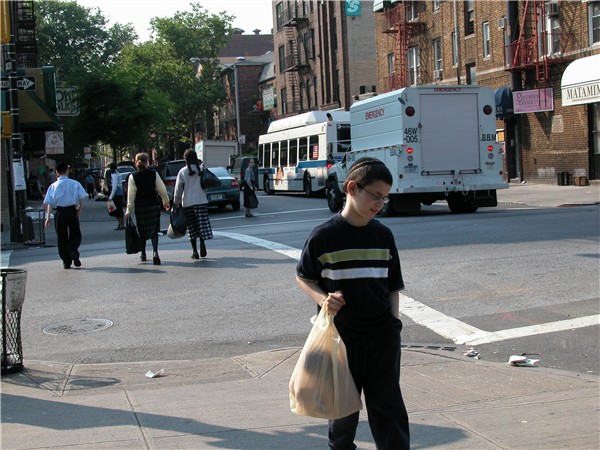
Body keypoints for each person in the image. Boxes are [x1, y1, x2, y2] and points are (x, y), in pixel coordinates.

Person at [295, 157, 410, 450]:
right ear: (351, 188)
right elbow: (304, 277)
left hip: (382, 335)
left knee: (388, 406)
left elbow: (392, 286)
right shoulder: (323, 236)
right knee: (343, 409)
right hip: (342, 338)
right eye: (374, 196)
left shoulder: (383, 235)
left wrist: (394, 326)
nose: (379, 204)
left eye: (384, 198)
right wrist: (324, 300)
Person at [125, 152, 170, 265]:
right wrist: (166, 202)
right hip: (153, 205)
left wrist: (128, 210)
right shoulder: (153, 174)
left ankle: (143, 253)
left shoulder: (133, 176)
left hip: (140, 207)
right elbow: (162, 190)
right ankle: (155, 252)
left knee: (142, 230)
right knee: (154, 231)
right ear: (147, 162)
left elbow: (131, 195)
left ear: (136, 163)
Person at [43, 162, 87, 269]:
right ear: (67, 171)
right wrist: (79, 209)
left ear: (57, 172)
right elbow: (81, 197)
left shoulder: (53, 186)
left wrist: (48, 217)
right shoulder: (75, 183)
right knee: (75, 233)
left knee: (61, 237)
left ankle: (66, 261)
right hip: (72, 210)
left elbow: (49, 203)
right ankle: (73, 250)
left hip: (60, 212)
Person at [173, 149, 213, 259]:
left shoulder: (183, 172)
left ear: (185, 159)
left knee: (192, 227)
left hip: (188, 203)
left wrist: (176, 202)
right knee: (201, 225)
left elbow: (178, 189)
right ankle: (202, 243)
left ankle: (195, 251)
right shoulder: (201, 169)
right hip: (201, 201)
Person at [107, 162, 125, 230]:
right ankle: (121, 223)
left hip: (116, 194)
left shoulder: (114, 175)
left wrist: (110, 197)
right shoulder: (117, 174)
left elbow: (114, 187)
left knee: (115, 211)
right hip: (119, 193)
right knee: (118, 210)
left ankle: (121, 224)